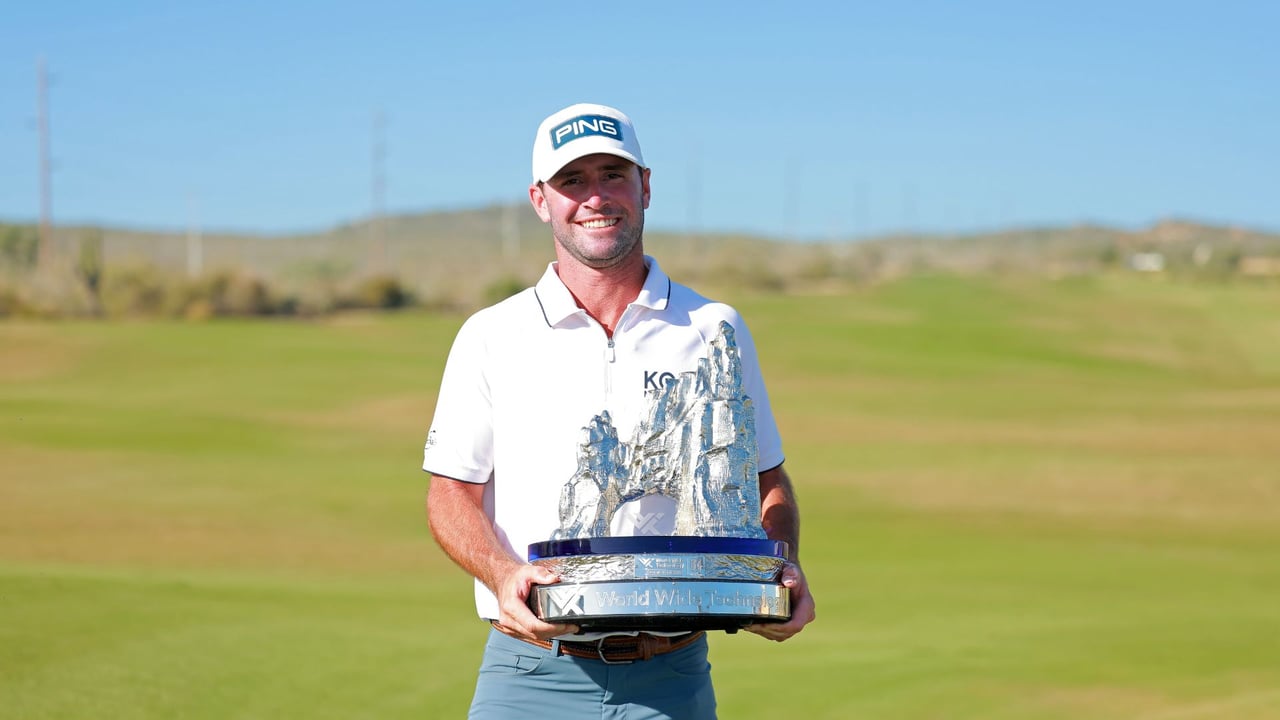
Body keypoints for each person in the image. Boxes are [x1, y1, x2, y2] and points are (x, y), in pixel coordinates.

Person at [423, 102, 815, 719]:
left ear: (646, 186)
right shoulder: (491, 334)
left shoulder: (714, 328)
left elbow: (767, 479)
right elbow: (450, 495)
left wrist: (783, 567)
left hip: (673, 675)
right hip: (530, 673)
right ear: (539, 199)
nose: (596, 198)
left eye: (613, 174)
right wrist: (501, 574)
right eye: (572, 181)